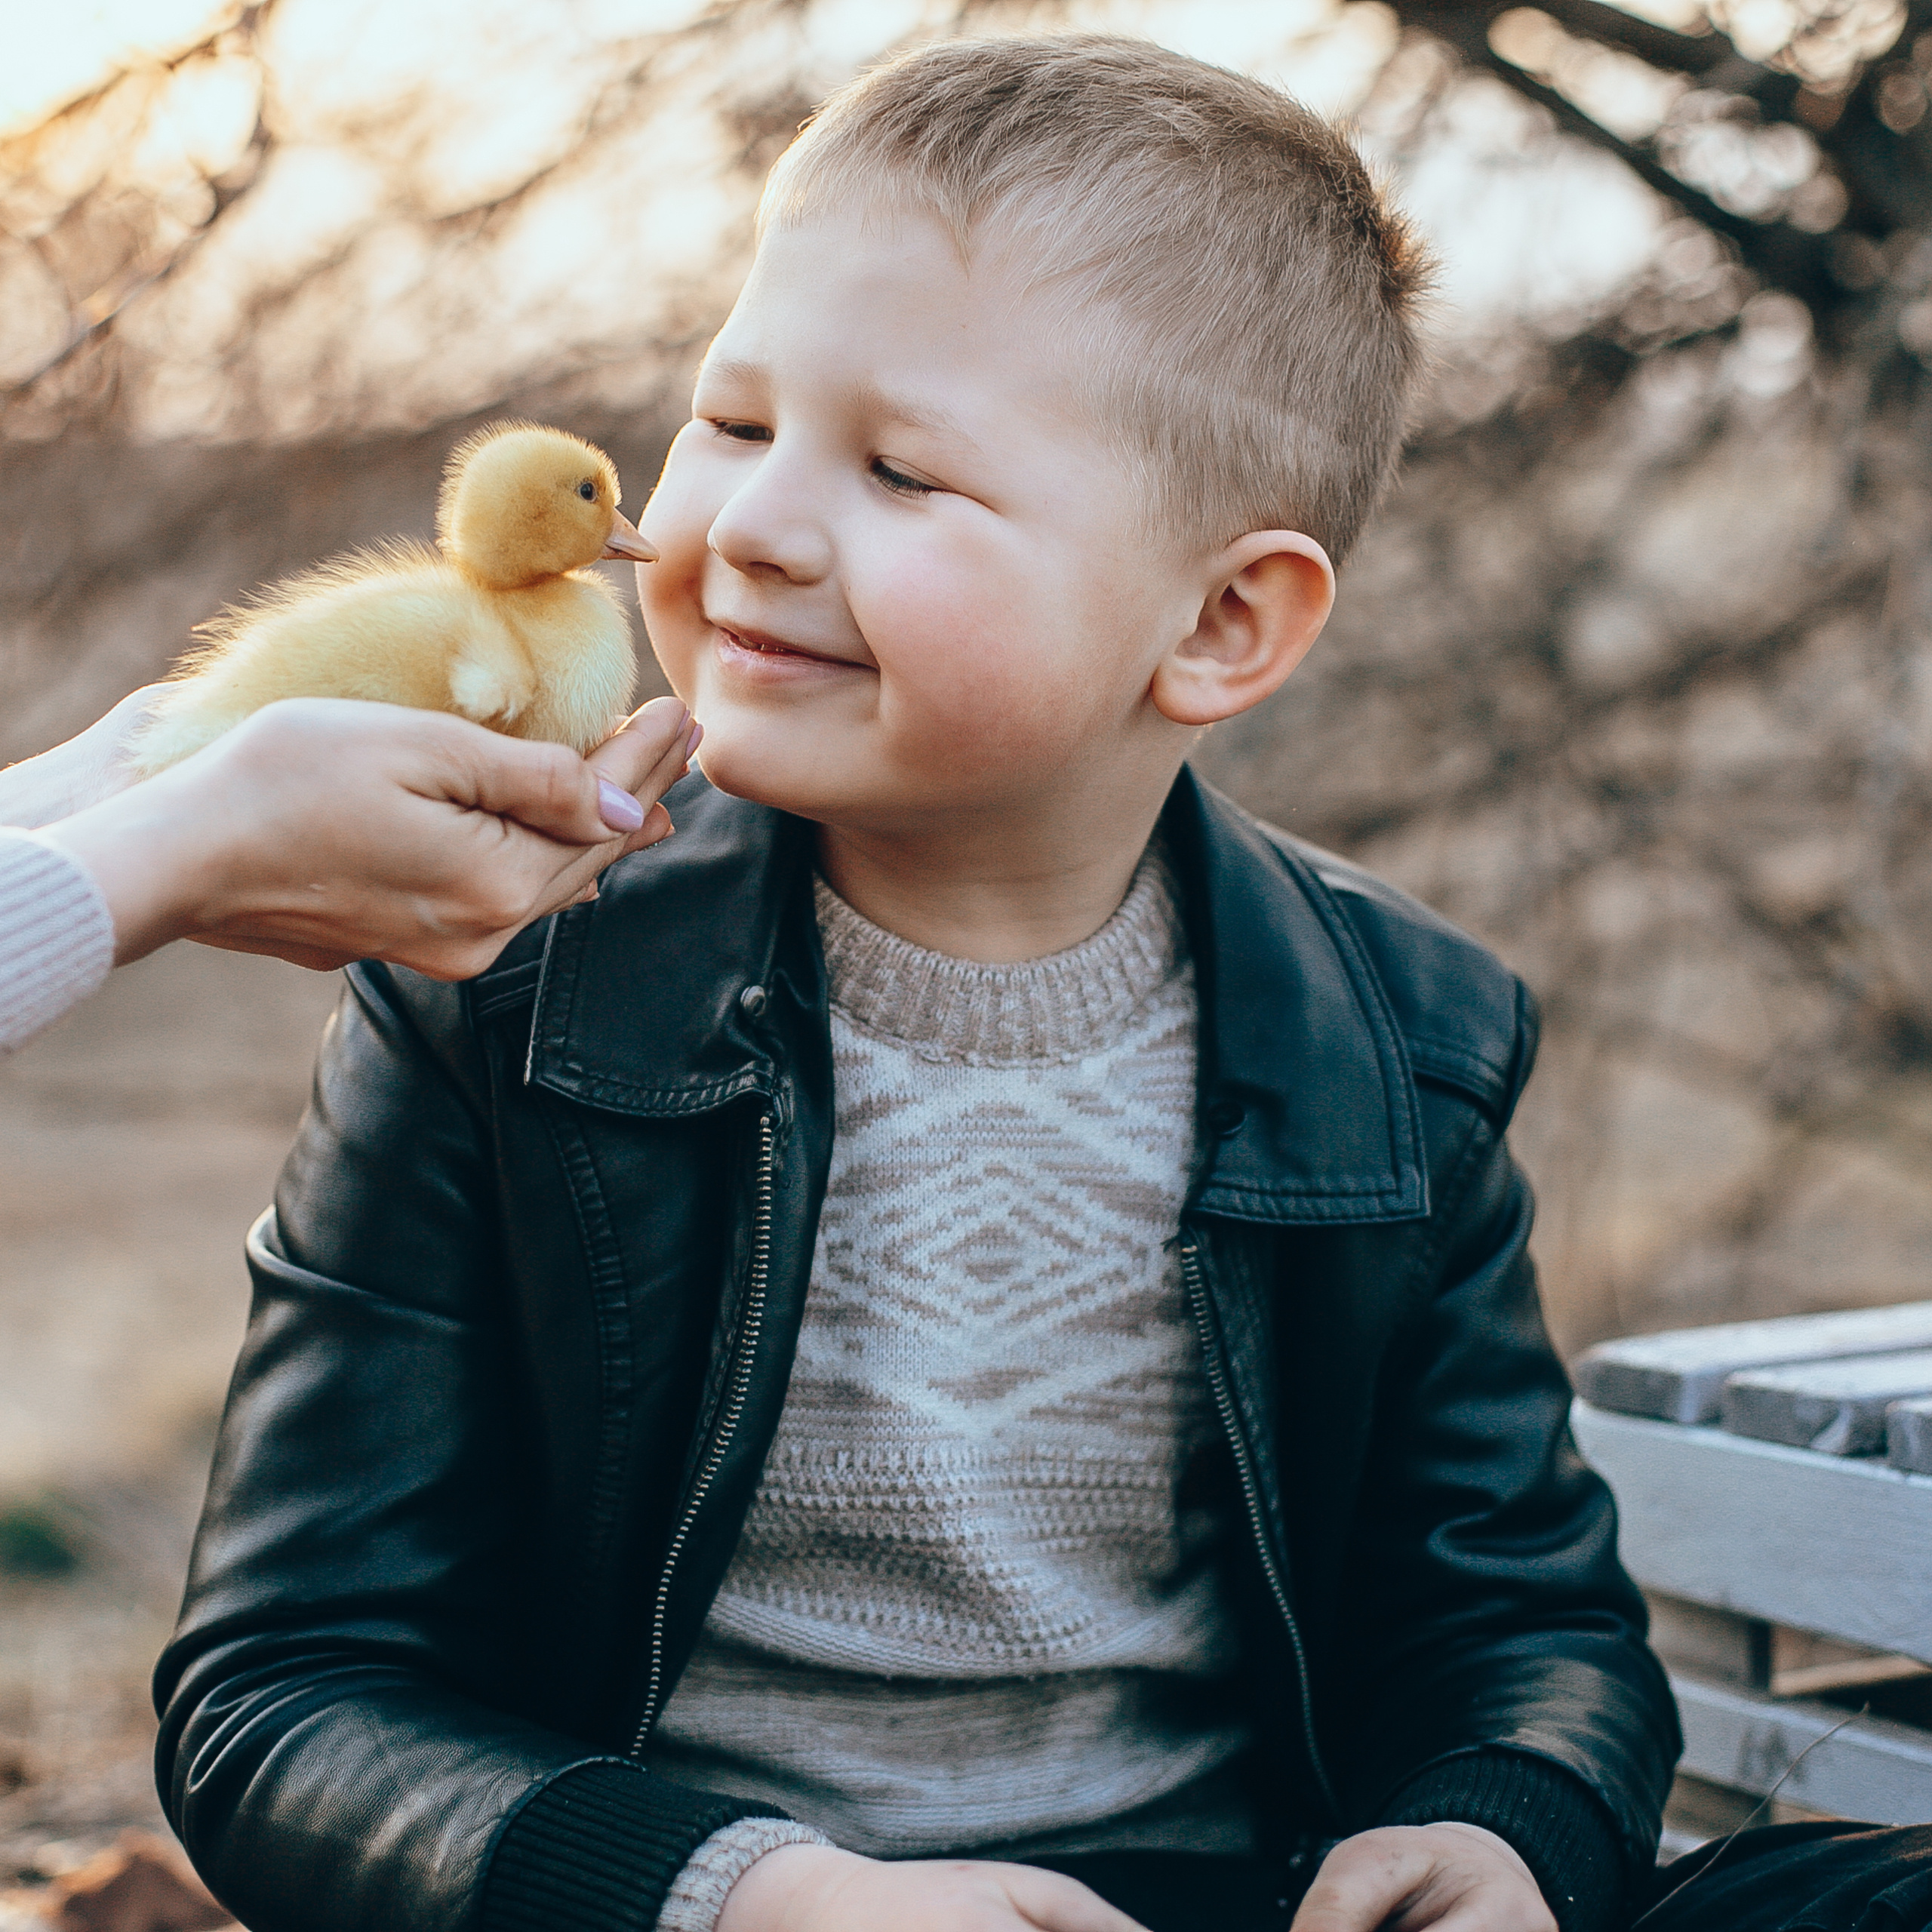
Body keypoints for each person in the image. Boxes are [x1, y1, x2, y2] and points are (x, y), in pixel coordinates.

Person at [144, 35, 1932, 1932]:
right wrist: (741, 1897)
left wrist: (1499, 1823)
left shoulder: (1397, 1048)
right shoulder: (510, 993)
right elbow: (285, 1693)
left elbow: (1517, 1616)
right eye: (732, 420)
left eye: (899, 467)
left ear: (1220, 620)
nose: (746, 522)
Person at [0, 686, 700, 1051]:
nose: (742, 530)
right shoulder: (451, 1005)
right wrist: (182, 833)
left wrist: (126, 800)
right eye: (736, 427)